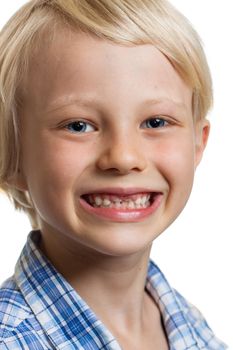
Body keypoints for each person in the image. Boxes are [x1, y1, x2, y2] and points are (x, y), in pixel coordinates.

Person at [0, 0, 228, 349]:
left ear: (198, 144)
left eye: (156, 122)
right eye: (78, 126)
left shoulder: (195, 329)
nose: (123, 157)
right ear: (11, 155)